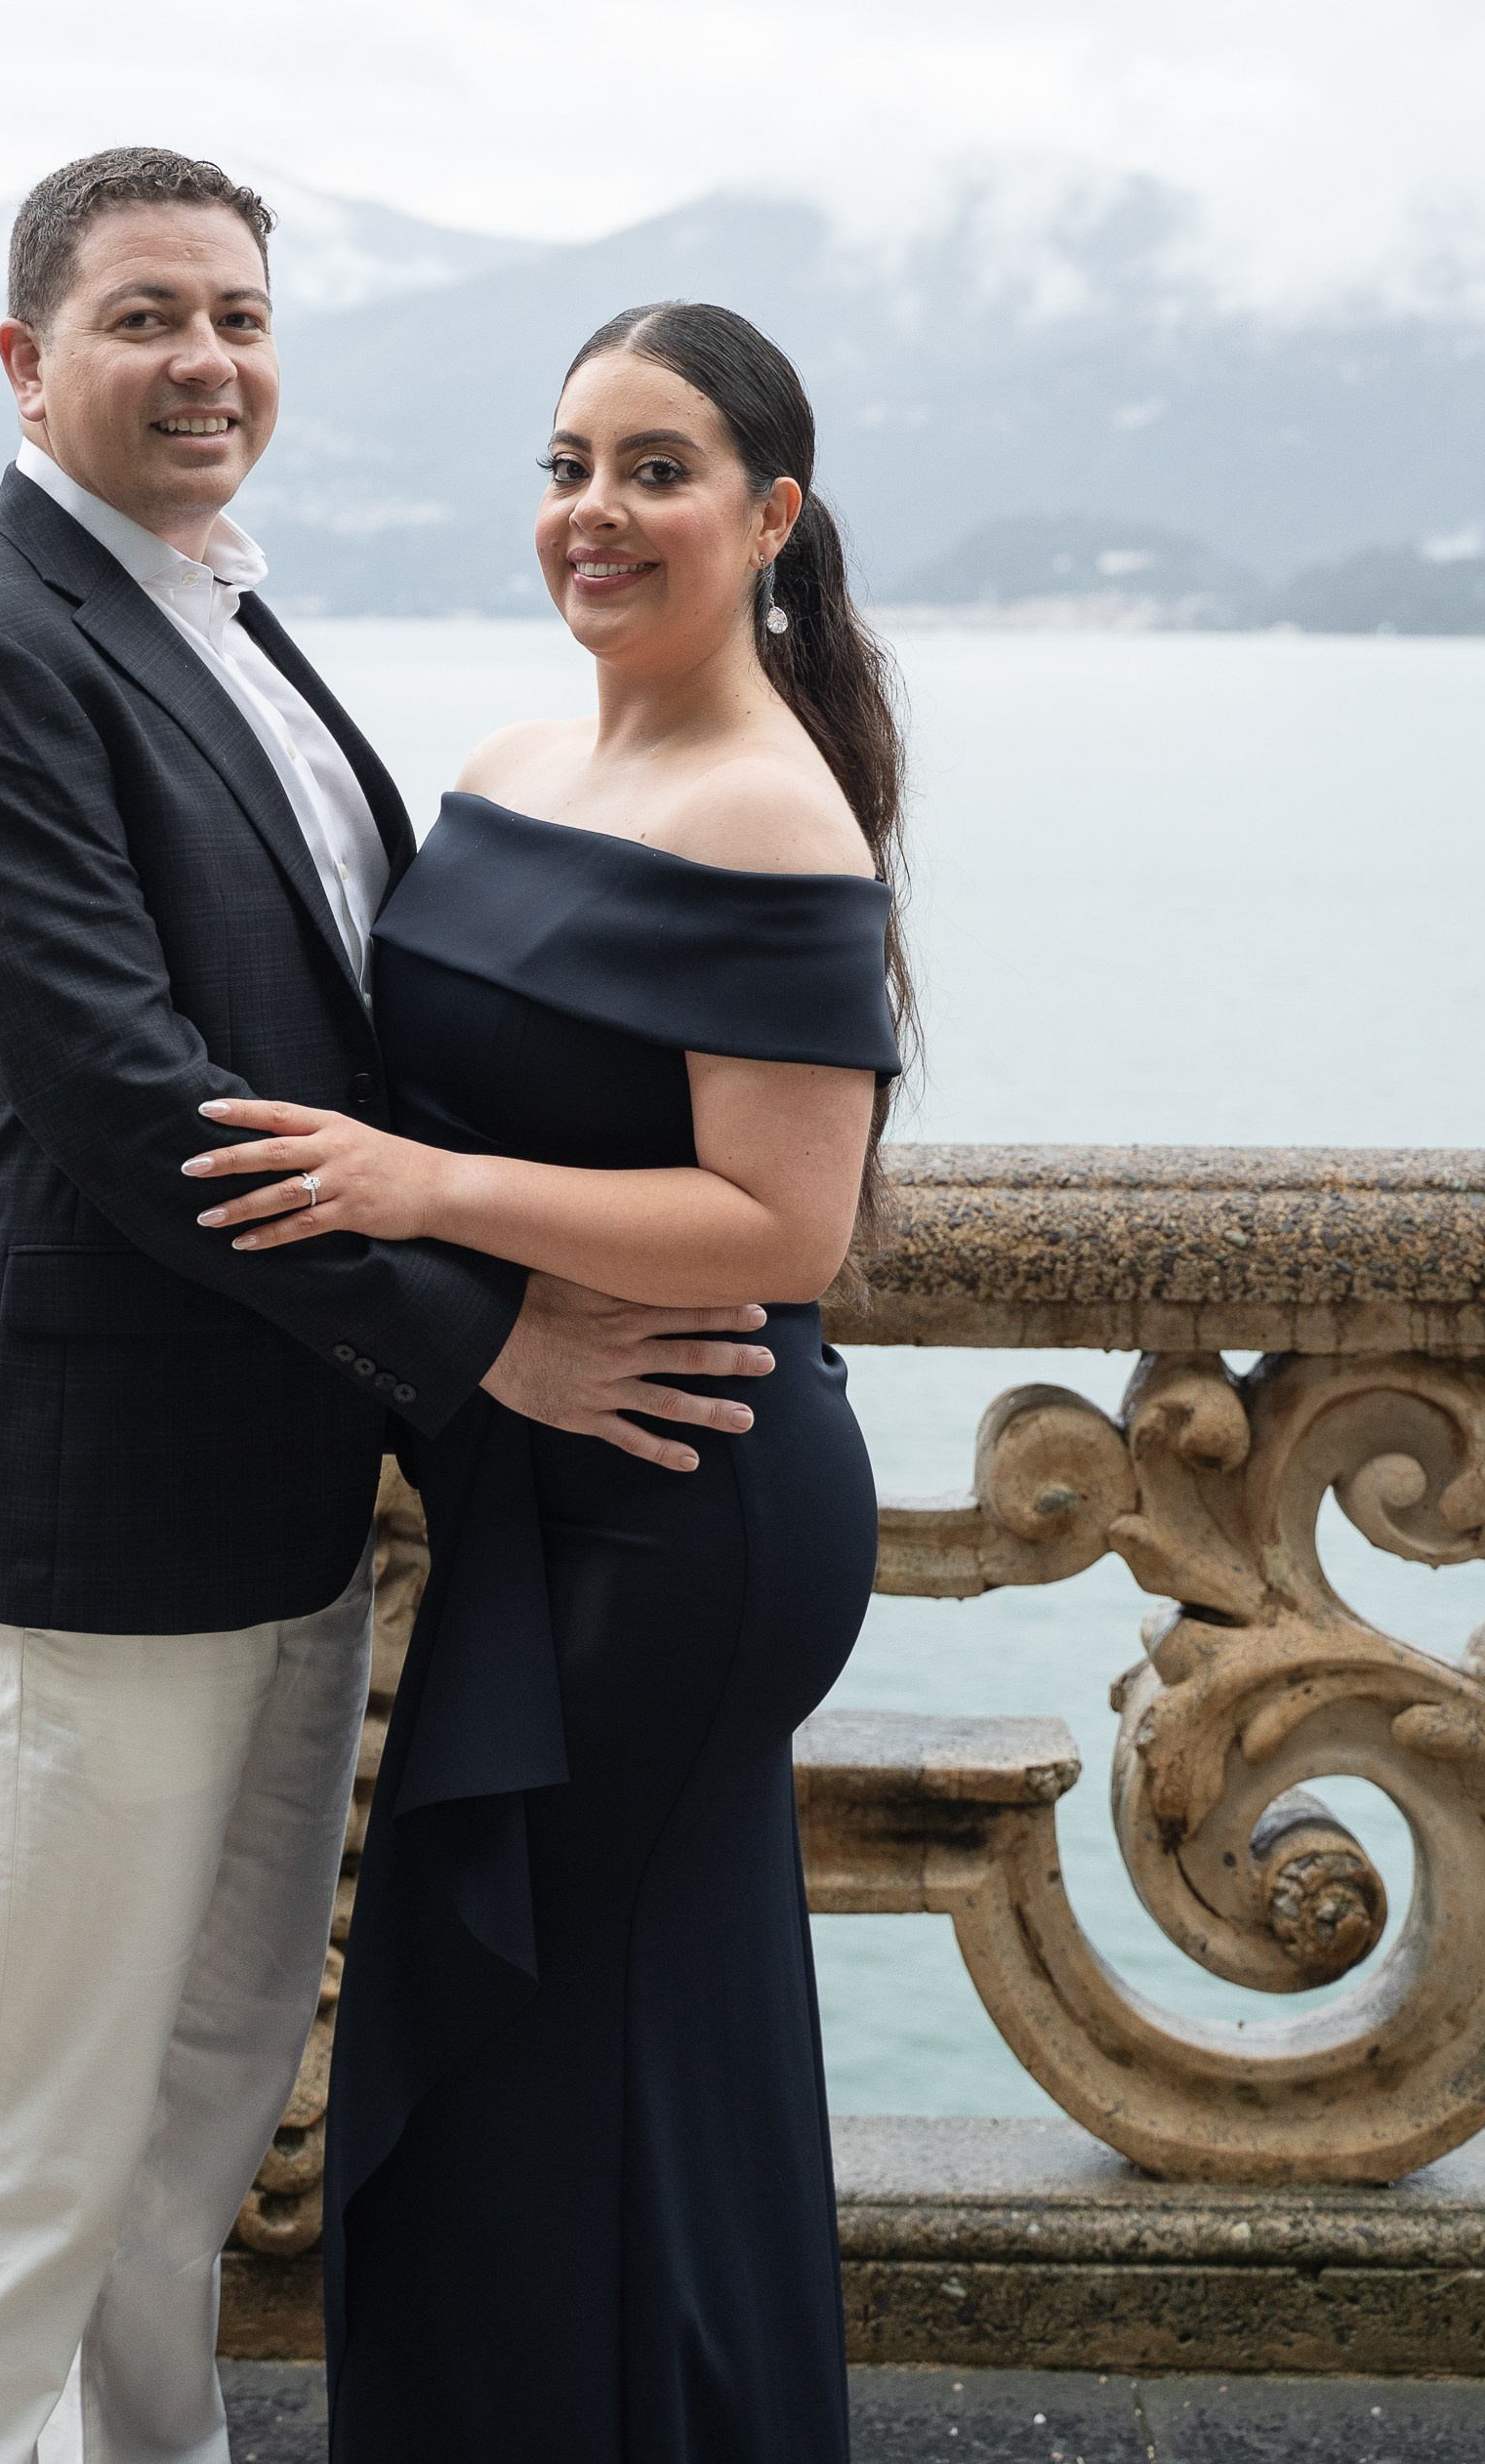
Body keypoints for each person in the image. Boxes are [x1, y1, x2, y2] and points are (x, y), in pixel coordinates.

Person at [0, 151, 773, 2464]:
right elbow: (134, 1100)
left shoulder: (214, 614)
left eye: (238, 315)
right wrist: (496, 1343)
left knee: (182, 2138)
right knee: (11, 2157)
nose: (205, 361)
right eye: (144, 315)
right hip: (74, 1537)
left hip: (278, 1514)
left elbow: (351, 1047)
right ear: (23, 359)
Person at [181, 299, 907, 2462]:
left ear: (766, 516)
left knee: (563, 2046)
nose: (593, 511)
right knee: (572, 2051)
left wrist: (426, 1182)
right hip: (544, 1468)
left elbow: (783, 1223)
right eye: (566, 461)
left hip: (681, 1488)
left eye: (654, 468)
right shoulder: (512, 768)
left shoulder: (773, 818)